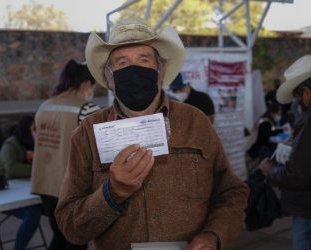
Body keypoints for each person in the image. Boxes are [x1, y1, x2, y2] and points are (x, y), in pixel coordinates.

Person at [54, 19, 249, 250]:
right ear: (108, 76)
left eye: (144, 60)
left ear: (161, 70)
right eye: (122, 62)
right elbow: (70, 226)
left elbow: (232, 191)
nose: (133, 69)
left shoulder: (196, 122)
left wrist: (213, 235)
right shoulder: (87, 134)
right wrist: (113, 192)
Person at [31, 59, 100, 250]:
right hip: (71, 188)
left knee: (60, 236)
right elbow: (101, 149)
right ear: (86, 84)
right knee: (75, 240)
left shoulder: (44, 106)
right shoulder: (87, 109)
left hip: (44, 186)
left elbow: (37, 139)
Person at [260, 55, 311, 250]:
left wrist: (270, 170)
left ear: (306, 92)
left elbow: (297, 176)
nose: (299, 102)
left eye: (298, 96)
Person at [0, 115, 42, 250]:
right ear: (26, 129)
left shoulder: (34, 144)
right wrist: (36, 168)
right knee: (33, 214)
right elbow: (11, 170)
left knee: (57, 209)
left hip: (29, 192)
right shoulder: (11, 144)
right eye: (34, 129)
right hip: (9, 193)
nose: (36, 132)